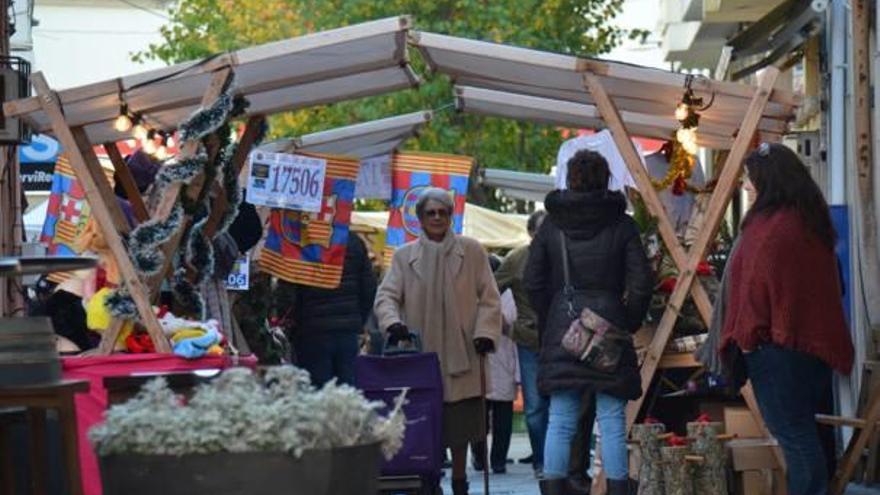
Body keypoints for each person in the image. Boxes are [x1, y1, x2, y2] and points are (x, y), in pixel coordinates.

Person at [719, 143, 854, 495]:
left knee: (794, 437)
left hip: (776, 349)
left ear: (767, 181)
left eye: (750, 180)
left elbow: (752, 288)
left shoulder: (770, 227)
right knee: (806, 435)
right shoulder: (809, 221)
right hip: (811, 347)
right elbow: (834, 284)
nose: (747, 187)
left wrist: (745, 338)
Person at [526, 149, 653, 495]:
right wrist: (627, 319)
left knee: (562, 418)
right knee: (611, 420)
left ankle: (553, 489)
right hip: (609, 325)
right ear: (606, 179)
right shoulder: (622, 224)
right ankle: (616, 489)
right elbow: (642, 282)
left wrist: (552, 314)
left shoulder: (551, 225)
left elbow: (531, 280)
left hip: (562, 327)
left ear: (570, 179)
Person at [375, 187, 502, 495]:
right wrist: (393, 324)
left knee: (460, 429)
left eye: (442, 212)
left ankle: (460, 483)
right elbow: (387, 296)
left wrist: (485, 333)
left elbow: (490, 298)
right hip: (422, 354)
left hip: (464, 354)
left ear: (450, 216)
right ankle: (428, 482)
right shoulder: (405, 256)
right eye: (430, 212)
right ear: (420, 218)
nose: (436, 217)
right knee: (424, 426)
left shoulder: (471, 250)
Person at [277, 233, 376, 386]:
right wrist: (357, 320)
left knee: (317, 392)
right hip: (347, 332)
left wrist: (290, 321)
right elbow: (369, 287)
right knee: (347, 391)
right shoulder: (354, 242)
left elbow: (287, 292)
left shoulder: (300, 241)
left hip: (311, 332)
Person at [494, 210, 551, 477]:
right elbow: (487, 292)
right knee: (536, 407)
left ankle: (563, 463)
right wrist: (506, 327)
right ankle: (542, 462)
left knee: (568, 403)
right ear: (530, 233)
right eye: (541, 230)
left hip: (564, 339)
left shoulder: (564, 252)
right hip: (529, 340)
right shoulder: (516, 258)